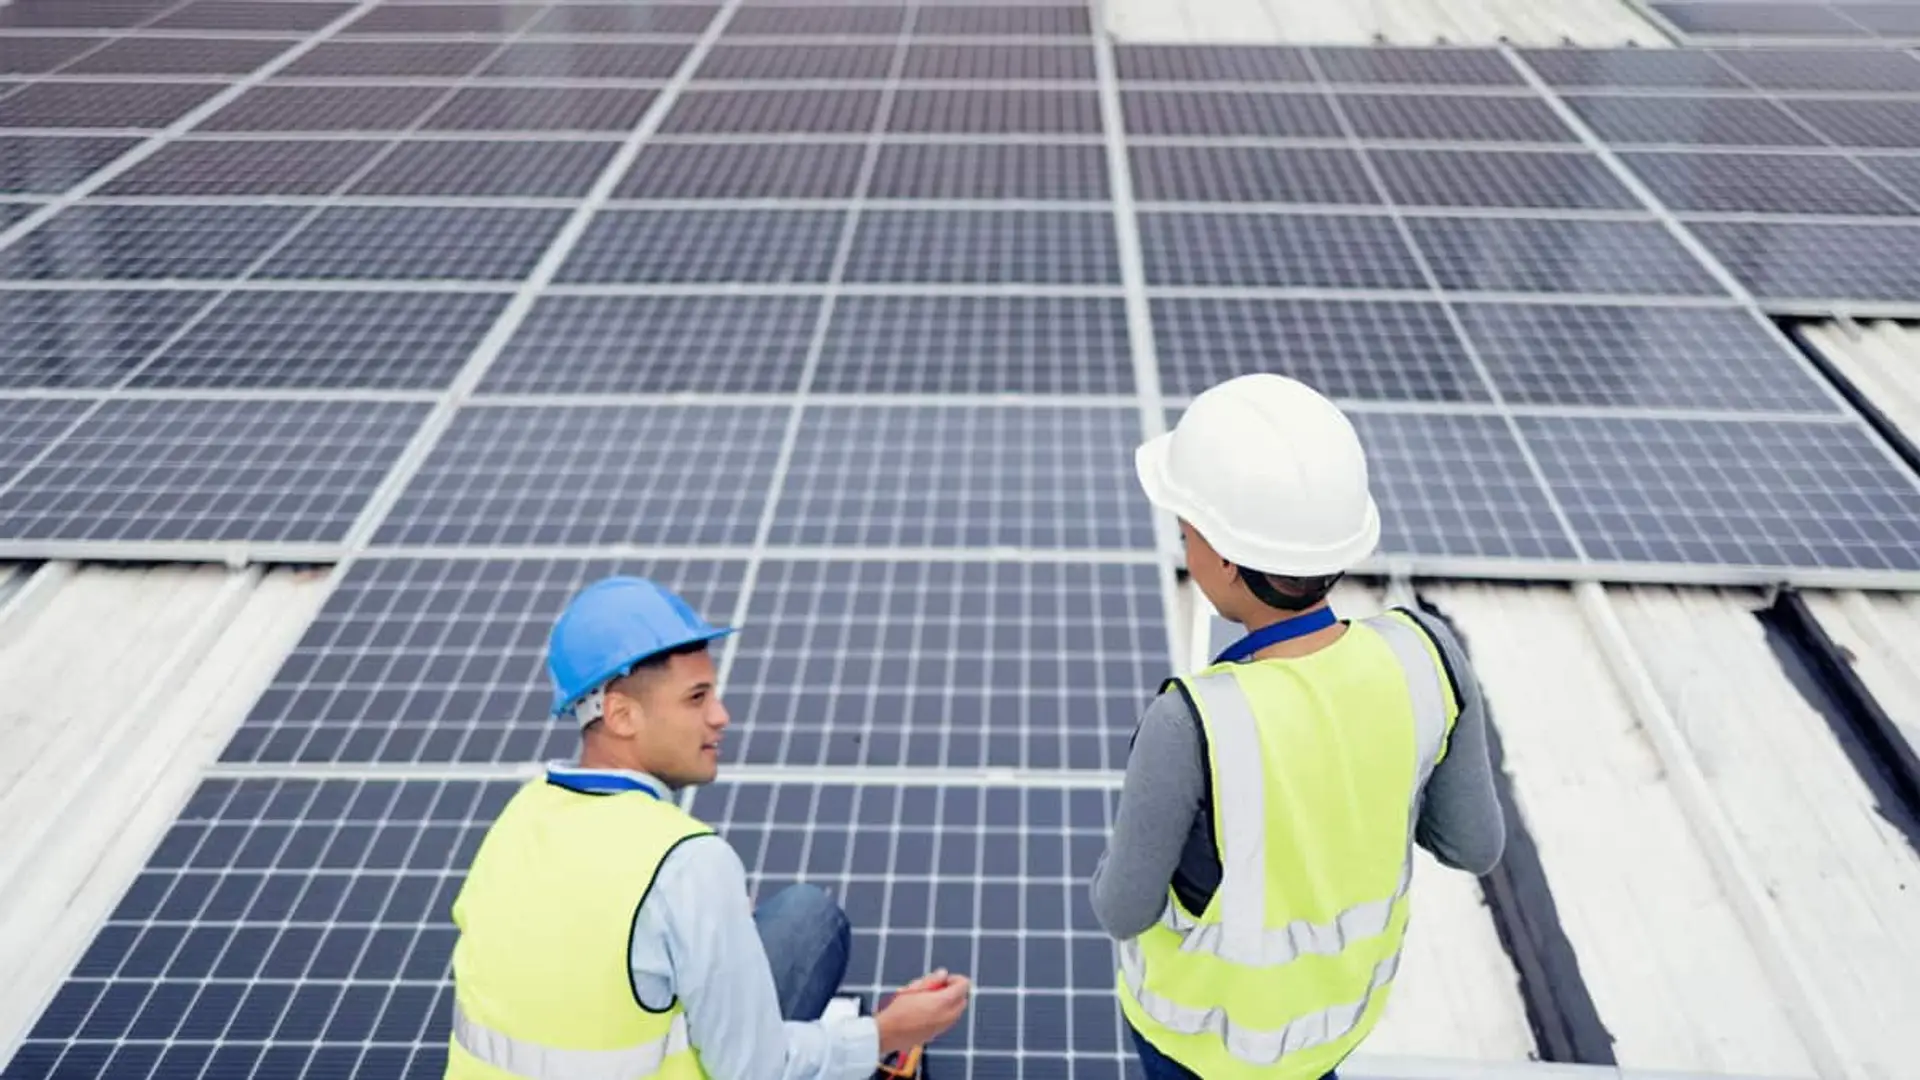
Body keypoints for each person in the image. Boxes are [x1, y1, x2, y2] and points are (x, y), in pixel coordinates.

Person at [1090, 373, 1507, 1080]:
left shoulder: (1192, 723)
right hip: (1330, 1029)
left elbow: (1122, 908)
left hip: (1199, 1046)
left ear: (1221, 556)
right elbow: (1473, 846)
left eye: (1186, 530)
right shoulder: (1426, 654)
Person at [444, 575, 971, 1080]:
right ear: (623, 716)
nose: (721, 716)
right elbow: (756, 1071)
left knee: (802, 915)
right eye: (697, 698)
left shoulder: (521, 815)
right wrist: (885, 1032)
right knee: (811, 925)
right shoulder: (686, 863)